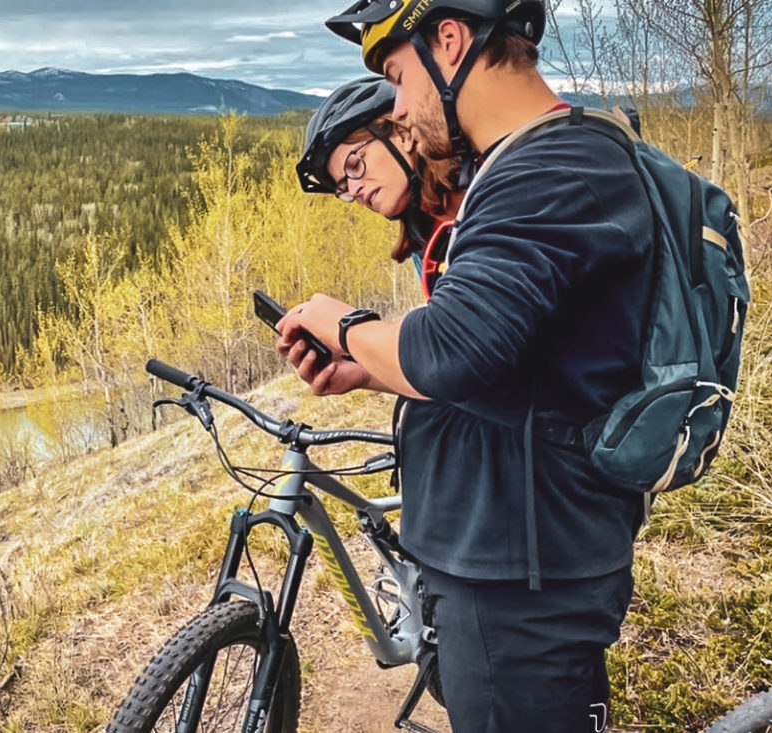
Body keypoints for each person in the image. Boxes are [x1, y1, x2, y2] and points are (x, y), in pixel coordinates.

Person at [276, 1, 655, 731]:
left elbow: (450, 349)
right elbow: (502, 363)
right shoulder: (518, 169)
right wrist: (366, 369)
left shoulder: (552, 167)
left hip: (521, 570)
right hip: (503, 550)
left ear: (448, 42)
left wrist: (343, 323)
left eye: (397, 75)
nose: (402, 108)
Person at [297, 75, 461, 291]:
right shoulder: (425, 241)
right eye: (344, 188)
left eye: (355, 165)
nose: (354, 191)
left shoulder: (487, 197)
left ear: (402, 134)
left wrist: (352, 325)